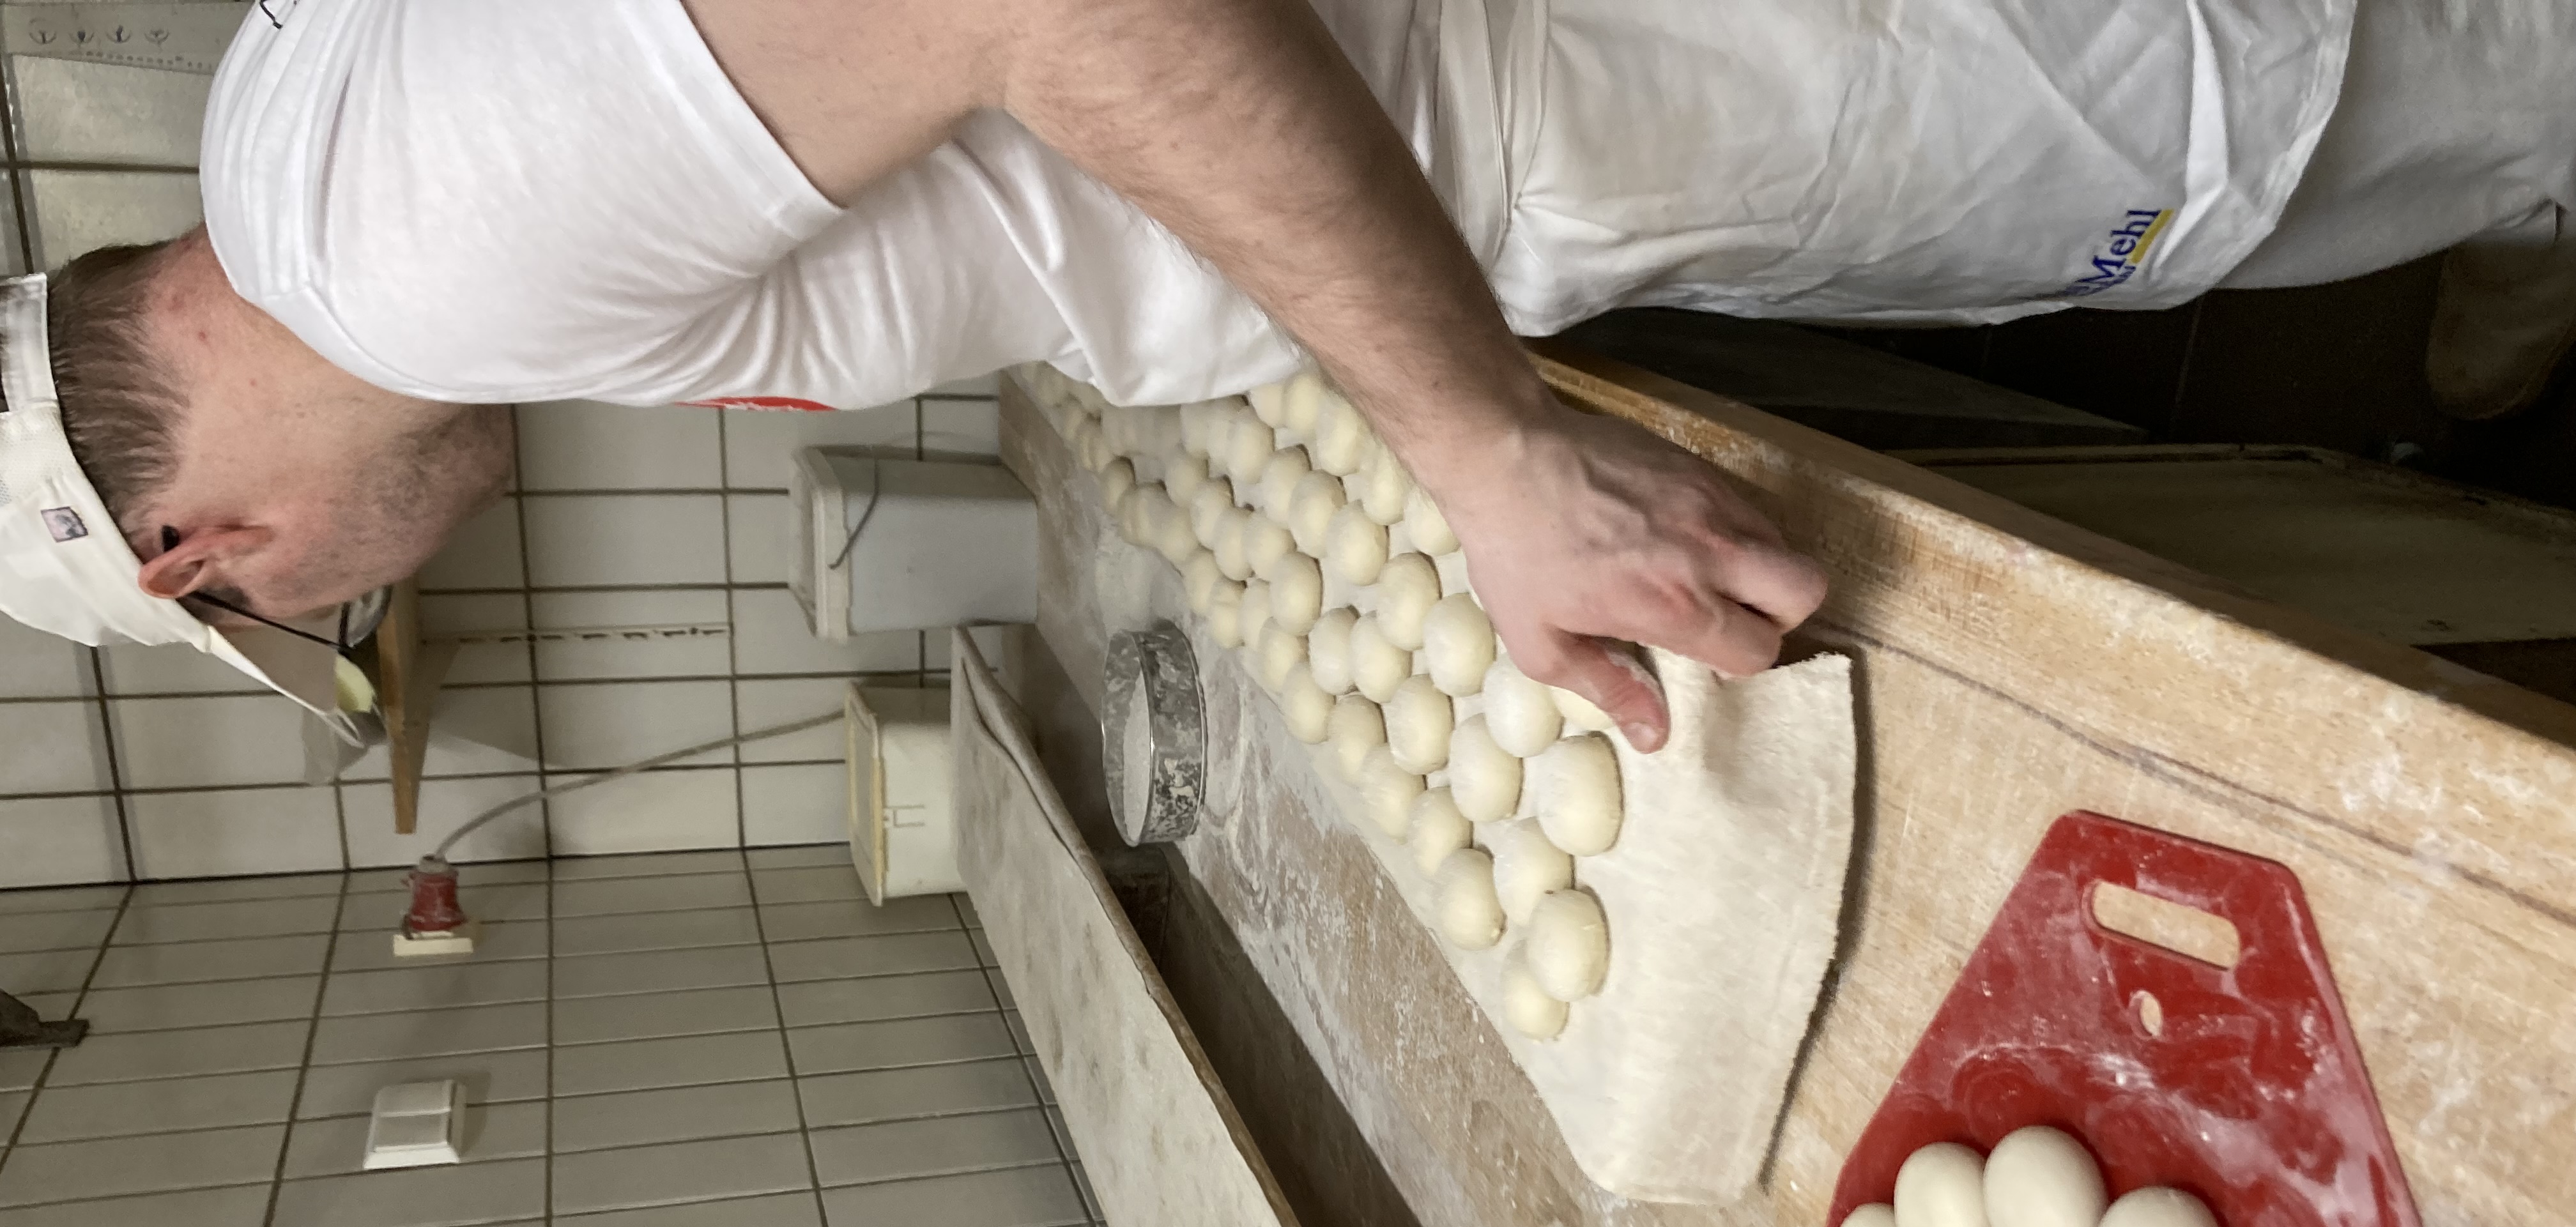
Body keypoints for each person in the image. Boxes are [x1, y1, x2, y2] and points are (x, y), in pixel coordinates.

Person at [8, 0, 2574, 749]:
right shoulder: (284, 126)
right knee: (2225, 149)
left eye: (302, 618)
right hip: (1523, 116)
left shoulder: (422, 251)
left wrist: (1478, 447)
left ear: (201, 553)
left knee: (2223, 113)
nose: (363, 595)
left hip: (1600, 67)